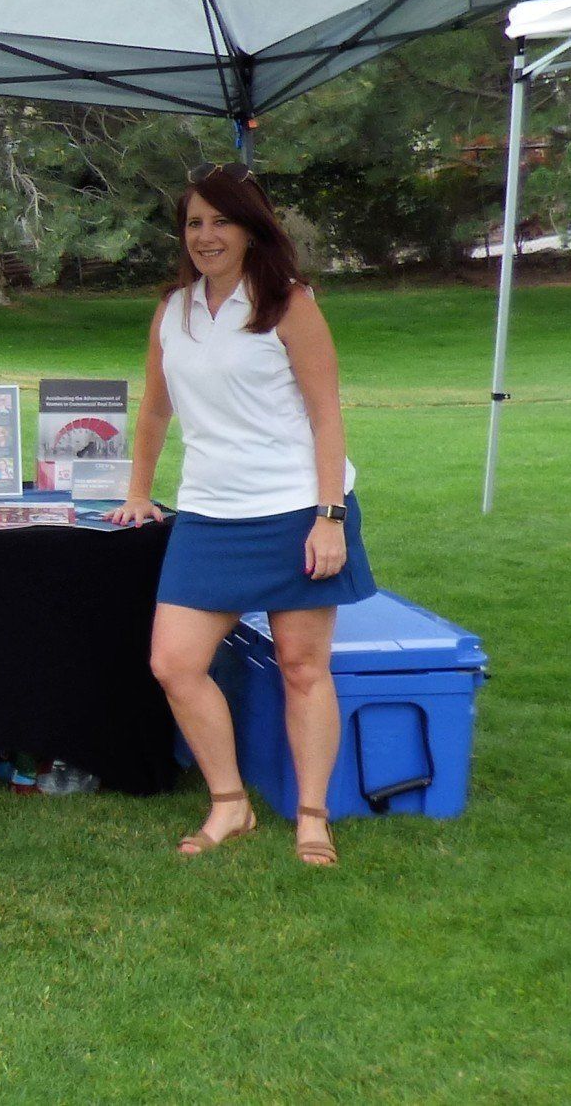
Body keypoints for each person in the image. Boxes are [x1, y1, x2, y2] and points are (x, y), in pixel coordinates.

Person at [107, 164, 376, 867]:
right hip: (210, 512)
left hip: (296, 509)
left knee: (303, 667)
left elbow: (326, 416)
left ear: (252, 229)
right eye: (194, 223)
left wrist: (329, 516)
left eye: (220, 221)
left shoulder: (289, 302)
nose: (206, 236)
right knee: (174, 663)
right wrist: (138, 490)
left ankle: (312, 817)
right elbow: (155, 410)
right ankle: (230, 804)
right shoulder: (173, 310)